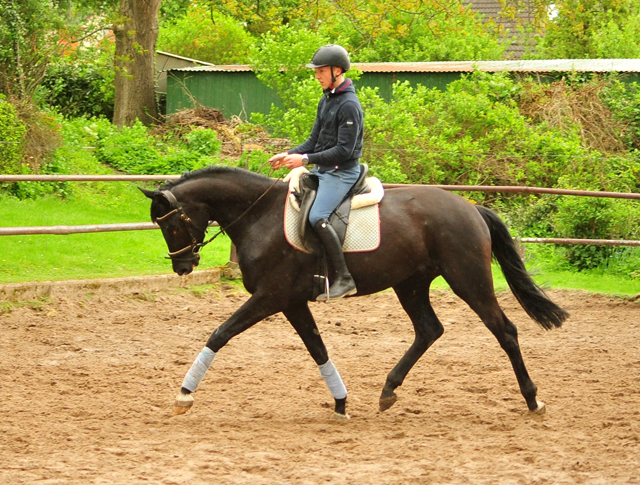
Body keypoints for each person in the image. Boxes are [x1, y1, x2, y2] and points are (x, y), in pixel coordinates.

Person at [269, 44, 364, 301]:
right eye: (316, 71)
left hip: (341, 173)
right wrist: (289, 154)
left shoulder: (349, 105)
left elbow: (344, 150)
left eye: (321, 71)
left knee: (318, 215)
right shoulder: (327, 99)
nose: (317, 76)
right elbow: (313, 141)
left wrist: (305, 159)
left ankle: (344, 278)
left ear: (337, 70)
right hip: (323, 170)